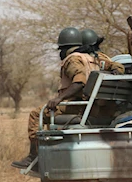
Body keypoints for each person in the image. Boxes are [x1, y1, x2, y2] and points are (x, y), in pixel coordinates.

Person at [11, 28, 125, 170]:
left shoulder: (73, 59)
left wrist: (59, 98)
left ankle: (34, 157)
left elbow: (79, 81)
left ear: (65, 48)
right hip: (99, 107)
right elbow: (119, 67)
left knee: (36, 114)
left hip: (79, 107)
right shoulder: (100, 58)